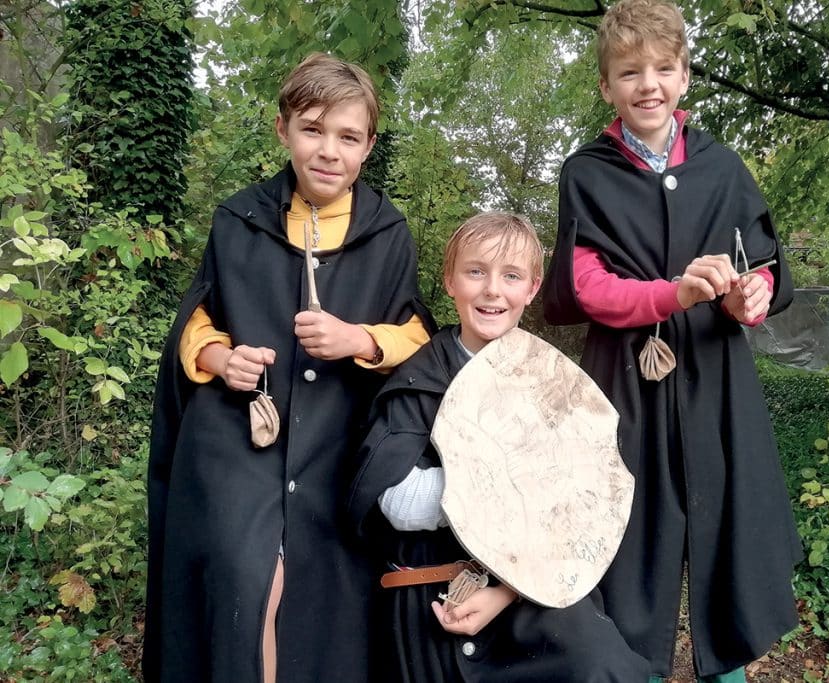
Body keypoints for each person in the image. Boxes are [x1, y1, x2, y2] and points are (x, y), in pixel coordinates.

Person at [145, 53, 432, 682]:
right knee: (248, 582)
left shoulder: (388, 234)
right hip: (235, 445)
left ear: (368, 147)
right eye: (312, 129)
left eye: (347, 137)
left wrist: (358, 337)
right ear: (283, 130)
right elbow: (196, 322)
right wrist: (223, 359)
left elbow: (418, 337)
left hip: (336, 448)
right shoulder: (238, 221)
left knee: (319, 599)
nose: (328, 151)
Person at [542, 1, 804, 681]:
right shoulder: (587, 173)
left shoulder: (723, 166)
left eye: (663, 68)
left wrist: (752, 297)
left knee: (729, 548)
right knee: (629, 550)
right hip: (623, 389)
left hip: (717, 383)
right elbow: (583, 285)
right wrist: (671, 293)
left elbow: (763, 263)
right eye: (629, 72)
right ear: (606, 86)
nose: (648, 84)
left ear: (686, 76)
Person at [345, 213, 649, 682]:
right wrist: (520, 479)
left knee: (601, 666)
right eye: (475, 271)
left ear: (531, 289)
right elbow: (400, 502)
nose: (492, 290)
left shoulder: (553, 383)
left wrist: (509, 588)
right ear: (450, 280)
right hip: (440, 592)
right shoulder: (419, 376)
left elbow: (586, 508)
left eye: (511, 276)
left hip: (531, 589)